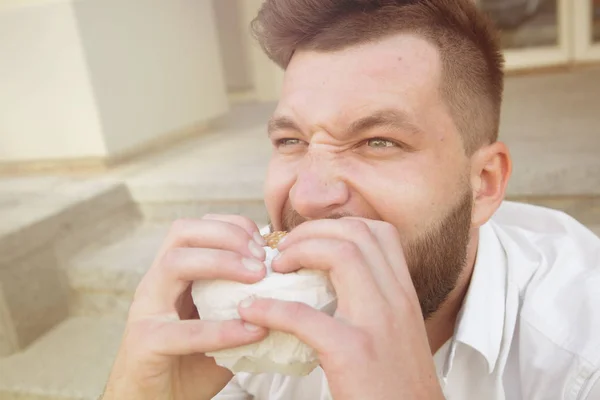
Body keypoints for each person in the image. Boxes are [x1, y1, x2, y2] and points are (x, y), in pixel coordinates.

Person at [100, 0, 600, 399]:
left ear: (485, 182)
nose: (311, 196)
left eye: (378, 141)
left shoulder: (581, 350)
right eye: (291, 141)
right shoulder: (248, 323)